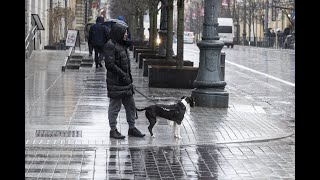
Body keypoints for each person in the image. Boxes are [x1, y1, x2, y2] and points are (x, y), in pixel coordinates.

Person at [103, 22, 145, 139]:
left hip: (126, 83)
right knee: (115, 107)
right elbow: (109, 64)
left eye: (126, 32)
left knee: (131, 106)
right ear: (118, 32)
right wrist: (123, 75)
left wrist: (128, 78)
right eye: (124, 32)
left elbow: (125, 64)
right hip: (116, 82)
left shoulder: (122, 45)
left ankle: (132, 128)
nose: (126, 34)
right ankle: (113, 130)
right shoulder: (110, 45)